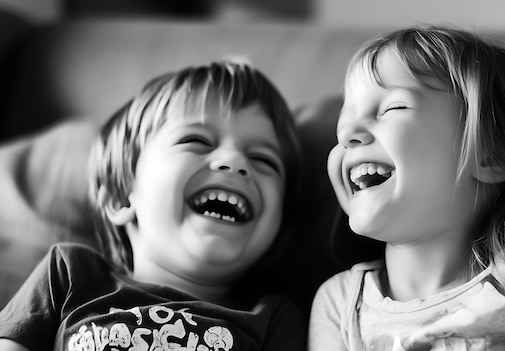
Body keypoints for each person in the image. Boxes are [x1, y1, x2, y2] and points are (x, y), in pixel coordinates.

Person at [309, 25, 505, 350]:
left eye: (391, 109)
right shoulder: (339, 304)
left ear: (492, 155)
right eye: (341, 128)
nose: (347, 136)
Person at [0, 60, 305, 350]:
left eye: (263, 160)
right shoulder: (69, 273)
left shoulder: (274, 320)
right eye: (197, 140)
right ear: (121, 196)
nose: (235, 161)